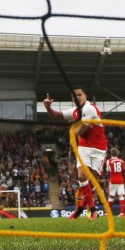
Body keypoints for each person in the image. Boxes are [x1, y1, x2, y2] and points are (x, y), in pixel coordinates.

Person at [43, 86, 108, 220]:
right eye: (74, 96)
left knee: (93, 182)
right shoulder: (75, 111)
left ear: (85, 95)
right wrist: (48, 107)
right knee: (82, 176)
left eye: (79, 94)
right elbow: (57, 115)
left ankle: (80, 209)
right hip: (84, 148)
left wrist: (73, 132)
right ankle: (93, 210)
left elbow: (80, 131)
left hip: (98, 149)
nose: (77, 97)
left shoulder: (90, 109)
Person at [105, 148, 125, 217]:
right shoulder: (122, 161)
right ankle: (122, 213)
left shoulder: (109, 161)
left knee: (111, 196)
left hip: (113, 180)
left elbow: (108, 170)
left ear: (111, 153)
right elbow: (123, 169)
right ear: (117, 153)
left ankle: (109, 213)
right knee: (121, 196)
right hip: (120, 179)